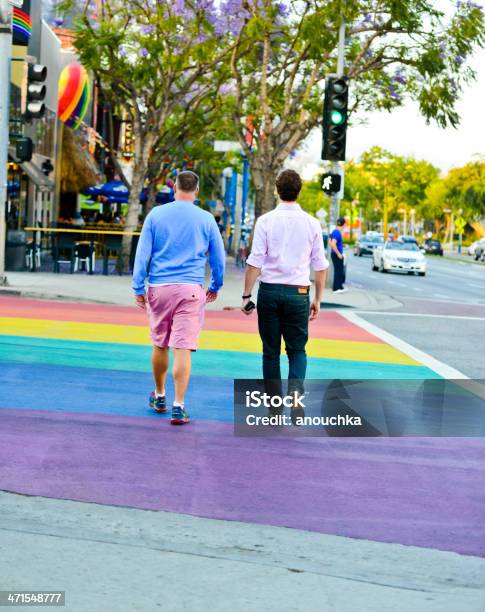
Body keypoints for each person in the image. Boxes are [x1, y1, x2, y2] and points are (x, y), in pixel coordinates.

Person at [132, 171, 225, 425]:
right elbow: (218, 258)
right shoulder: (206, 219)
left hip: (160, 286)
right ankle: (179, 405)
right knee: (183, 347)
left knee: (159, 343)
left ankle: (159, 395)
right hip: (191, 289)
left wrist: (138, 287)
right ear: (196, 191)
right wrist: (216, 285)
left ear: (174, 188)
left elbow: (143, 253)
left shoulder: (156, 215)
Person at [241, 169, 328, 422]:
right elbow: (320, 266)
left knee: (270, 351)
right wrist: (318, 299)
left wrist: (247, 296)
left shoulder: (266, 221)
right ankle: (296, 399)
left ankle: (275, 407)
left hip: (269, 290)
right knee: (297, 350)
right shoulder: (312, 223)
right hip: (298, 293)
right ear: (299, 191)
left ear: (277, 190)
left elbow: (254, 262)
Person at [330, 217, 346, 293]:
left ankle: (339, 287)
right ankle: (336, 288)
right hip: (337, 255)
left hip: (334, 253)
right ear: (344, 224)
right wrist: (338, 253)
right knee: (338, 271)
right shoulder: (337, 233)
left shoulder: (334, 231)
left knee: (339, 271)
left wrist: (341, 245)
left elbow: (330, 241)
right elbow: (333, 243)